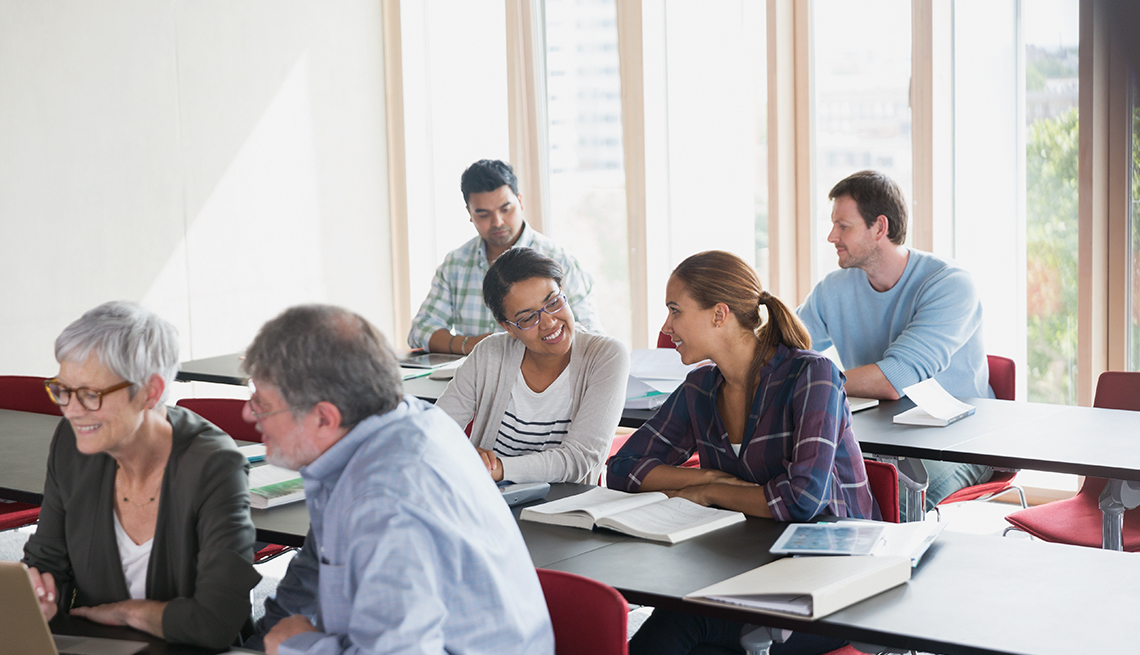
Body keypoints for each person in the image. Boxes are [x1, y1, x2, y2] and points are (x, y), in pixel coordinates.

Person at [608, 251, 877, 655]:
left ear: (720, 314)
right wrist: (705, 478)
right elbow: (623, 469)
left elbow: (801, 499)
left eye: (675, 311)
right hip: (749, 569)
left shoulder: (812, 375)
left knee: (683, 621)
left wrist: (713, 494)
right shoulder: (700, 387)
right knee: (690, 631)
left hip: (835, 584)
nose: (666, 327)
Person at [243, 304, 553, 655]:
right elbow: (315, 568)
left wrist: (298, 645)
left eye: (261, 404)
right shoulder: (395, 420)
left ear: (324, 418)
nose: (247, 413)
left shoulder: (385, 497)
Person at [23, 301, 260, 649]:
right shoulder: (71, 445)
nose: (72, 411)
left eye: (91, 394)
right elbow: (45, 562)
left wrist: (128, 613)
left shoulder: (214, 465)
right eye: (63, 390)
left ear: (150, 391)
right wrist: (40, 595)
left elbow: (215, 622)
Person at [796, 170, 992, 509]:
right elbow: (785, 347)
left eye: (844, 226)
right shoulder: (835, 288)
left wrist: (810, 382)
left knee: (886, 503)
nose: (831, 236)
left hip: (959, 440)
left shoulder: (949, 285)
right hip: (875, 432)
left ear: (879, 228)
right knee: (803, 487)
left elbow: (893, 379)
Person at [435, 247, 629, 485]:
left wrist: (497, 469)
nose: (549, 322)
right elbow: (435, 432)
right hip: (490, 501)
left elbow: (580, 460)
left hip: (565, 512)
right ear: (508, 328)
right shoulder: (489, 353)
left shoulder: (606, 356)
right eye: (528, 318)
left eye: (554, 302)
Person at [408, 159, 601, 353]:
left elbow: (593, 338)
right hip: (476, 380)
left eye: (506, 209)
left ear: (520, 201)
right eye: (483, 214)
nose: (497, 221)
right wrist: (470, 345)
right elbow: (420, 330)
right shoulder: (455, 265)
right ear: (469, 213)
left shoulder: (559, 260)